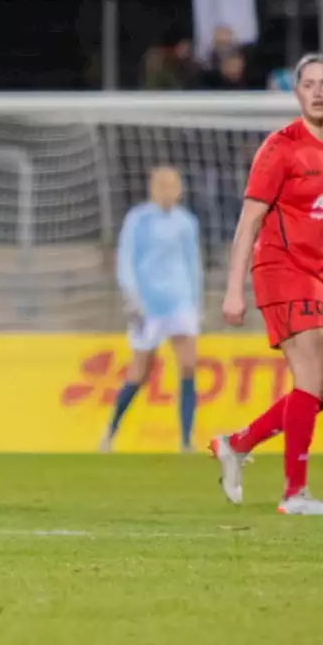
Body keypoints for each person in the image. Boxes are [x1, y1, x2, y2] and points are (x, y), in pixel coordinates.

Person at [211, 53, 323, 515]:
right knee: (309, 377)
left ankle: (237, 443)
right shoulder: (280, 148)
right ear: (296, 93)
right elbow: (248, 222)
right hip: (282, 269)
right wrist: (234, 290)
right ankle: (294, 495)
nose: (317, 90)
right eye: (308, 83)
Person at [100, 166, 203, 452]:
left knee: (188, 365)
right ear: (153, 188)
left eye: (174, 185)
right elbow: (126, 260)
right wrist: (133, 300)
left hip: (180, 302)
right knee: (139, 372)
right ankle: (110, 431)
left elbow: (192, 264)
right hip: (148, 306)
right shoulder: (138, 220)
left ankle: (185, 441)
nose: (169, 191)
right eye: (163, 185)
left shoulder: (186, 222)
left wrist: (196, 303)